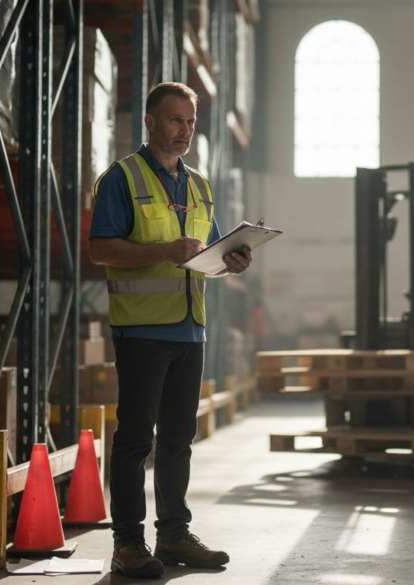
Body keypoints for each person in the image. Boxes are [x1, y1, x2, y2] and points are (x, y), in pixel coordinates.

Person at [88, 82, 252, 578]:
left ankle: (174, 535)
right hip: (142, 330)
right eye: (176, 120)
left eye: (191, 122)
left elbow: (209, 253)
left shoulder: (198, 185)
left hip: (189, 328)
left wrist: (234, 259)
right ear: (151, 121)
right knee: (136, 439)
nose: (185, 131)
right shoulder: (121, 178)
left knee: (179, 437)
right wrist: (161, 251)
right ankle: (127, 544)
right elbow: (100, 249)